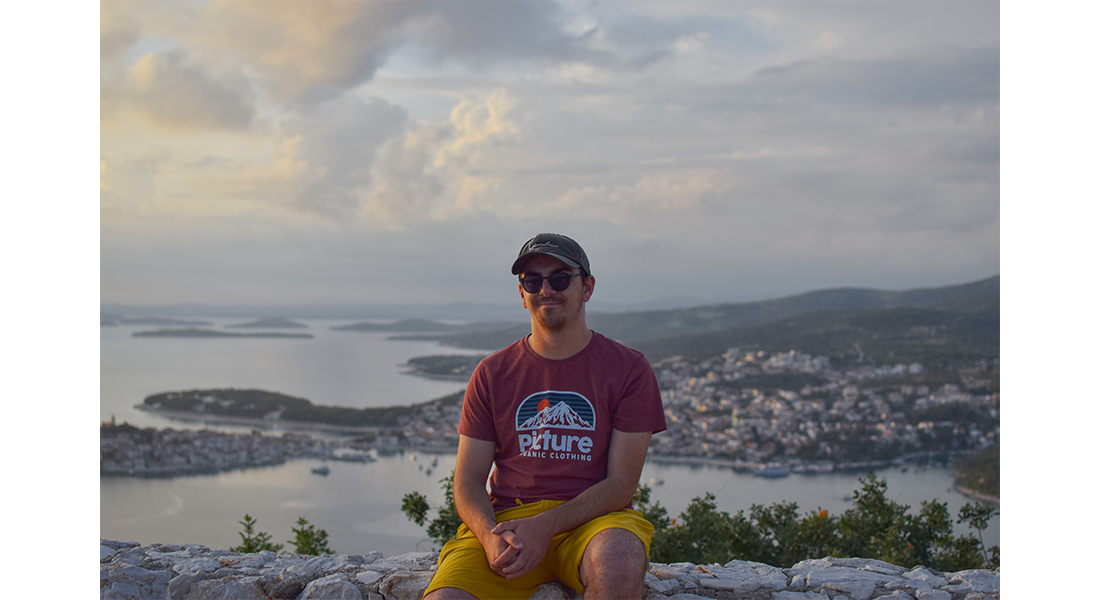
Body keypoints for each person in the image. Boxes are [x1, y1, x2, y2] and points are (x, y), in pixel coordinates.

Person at [423, 233, 667, 600]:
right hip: (509, 524)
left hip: (594, 522)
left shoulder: (629, 369)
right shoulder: (492, 373)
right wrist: (489, 536)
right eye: (533, 281)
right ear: (522, 295)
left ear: (587, 287)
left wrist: (546, 526)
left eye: (559, 278)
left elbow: (621, 485)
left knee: (619, 559)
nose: (545, 289)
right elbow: (468, 480)